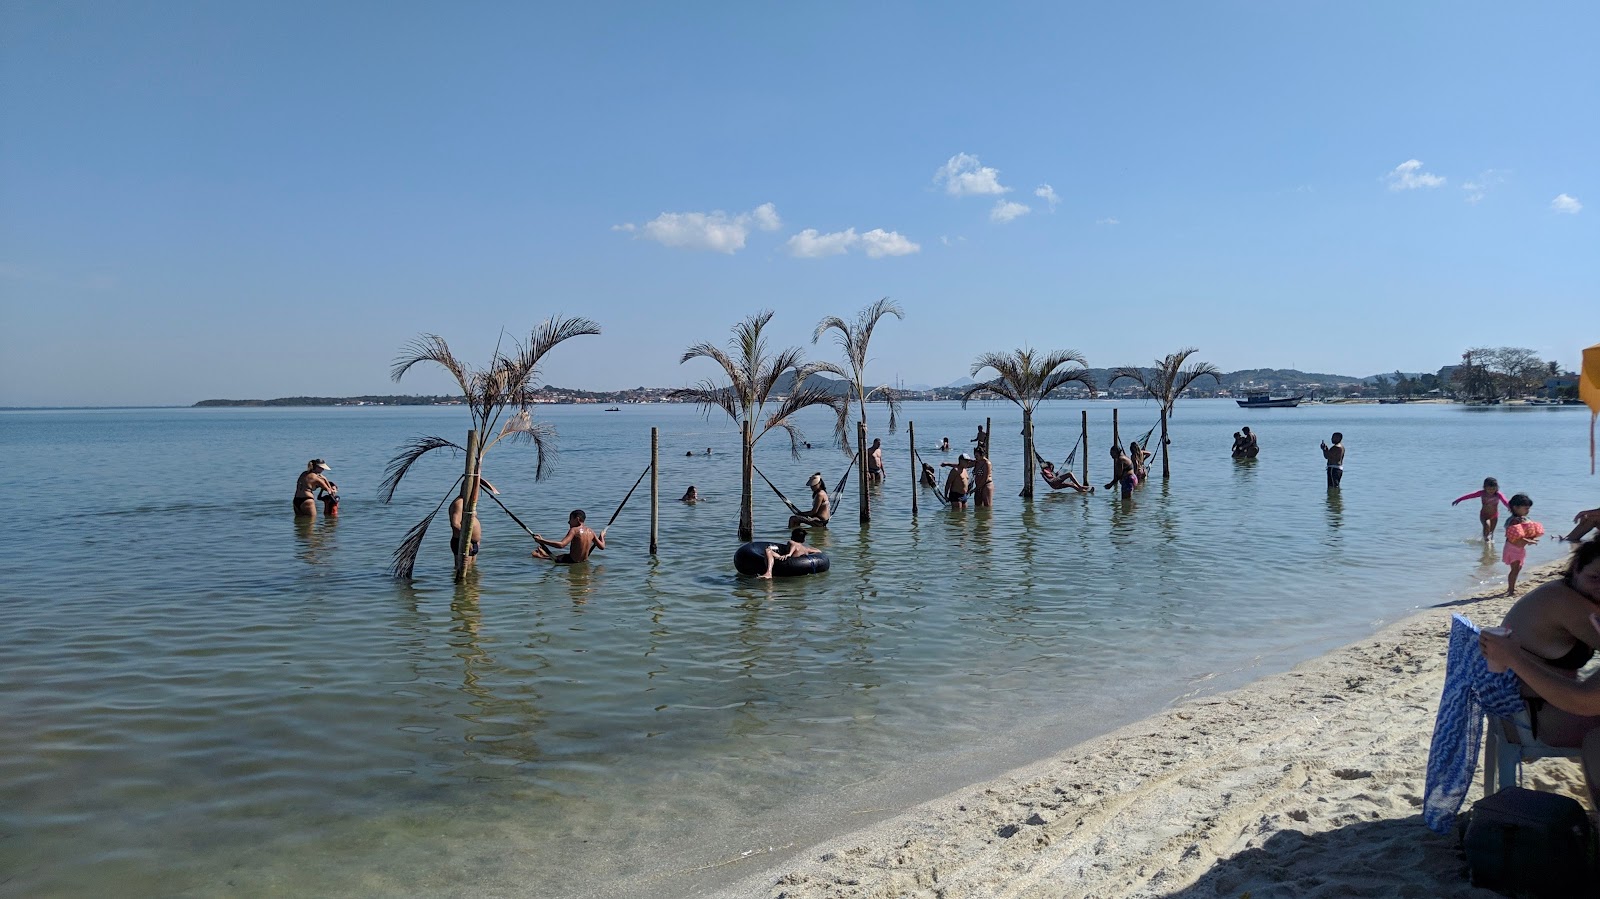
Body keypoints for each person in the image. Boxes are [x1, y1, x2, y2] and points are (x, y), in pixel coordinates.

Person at [1479, 540, 1600, 807]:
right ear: (1575, 570)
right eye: (1595, 577)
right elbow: (1584, 700)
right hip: (1536, 718)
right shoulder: (1565, 602)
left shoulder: (1566, 593)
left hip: (1521, 710)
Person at [447, 478, 496, 567]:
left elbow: (477, 479)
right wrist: (467, 541)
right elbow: (455, 524)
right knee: (462, 571)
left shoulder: (469, 503)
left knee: (472, 572)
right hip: (462, 542)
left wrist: (476, 541)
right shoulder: (459, 502)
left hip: (472, 543)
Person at [1502, 493, 1543, 596]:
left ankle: (1511, 588)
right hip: (1512, 548)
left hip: (1519, 548)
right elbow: (1515, 537)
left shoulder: (1524, 519)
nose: (1528, 511)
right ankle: (1510, 590)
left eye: (1528, 509)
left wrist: (1532, 537)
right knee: (1515, 569)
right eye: (1525, 508)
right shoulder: (1513, 521)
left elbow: (1524, 533)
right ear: (1515, 508)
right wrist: (1528, 541)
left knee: (1518, 568)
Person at [531, 509, 606, 563]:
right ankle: (545, 554)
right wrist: (602, 536)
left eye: (570, 519)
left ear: (577, 519)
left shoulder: (574, 530)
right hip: (583, 561)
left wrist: (541, 540)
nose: (568, 522)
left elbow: (561, 545)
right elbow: (602, 546)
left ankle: (541, 557)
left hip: (571, 560)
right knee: (561, 556)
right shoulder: (591, 531)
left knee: (555, 559)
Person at [1452, 477, 1510, 542]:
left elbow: (1505, 501)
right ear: (1485, 488)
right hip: (1484, 515)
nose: (1491, 491)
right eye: (1489, 489)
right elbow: (1470, 496)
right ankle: (1486, 545)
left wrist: (1509, 507)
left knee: (1491, 532)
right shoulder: (1482, 493)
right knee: (1486, 526)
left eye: (1493, 489)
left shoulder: (1498, 495)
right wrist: (1459, 499)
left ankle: (1489, 548)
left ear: (1497, 488)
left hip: (1494, 516)